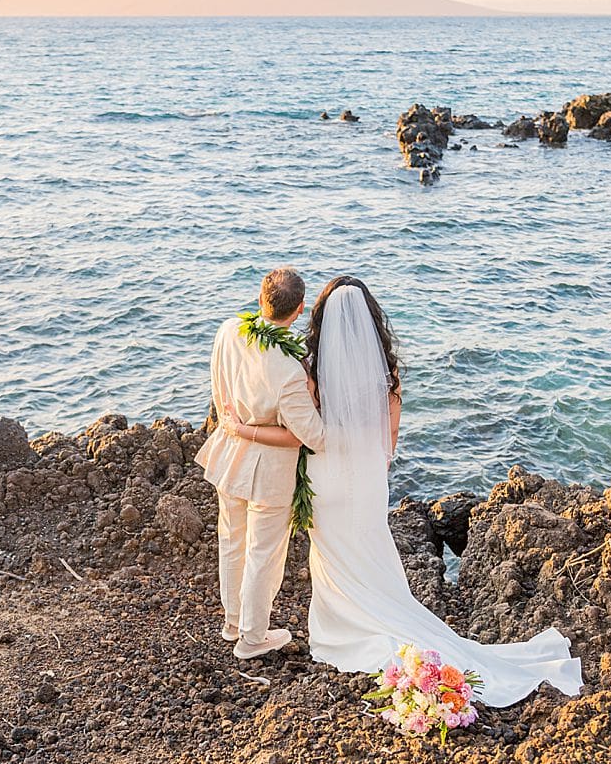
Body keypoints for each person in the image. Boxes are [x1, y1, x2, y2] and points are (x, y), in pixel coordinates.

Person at [223, 276, 583, 705]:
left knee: (332, 554)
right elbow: (388, 440)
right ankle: (383, 616)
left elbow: (305, 430)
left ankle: (337, 627)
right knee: (370, 545)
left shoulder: (308, 369)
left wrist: (246, 428)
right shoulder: (387, 371)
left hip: (325, 475)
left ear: (316, 318)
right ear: (372, 321)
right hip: (370, 475)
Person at [194, 267, 326, 660]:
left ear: (259, 299)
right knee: (263, 555)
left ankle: (233, 622)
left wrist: (235, 426)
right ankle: (252, 638)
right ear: (300, 310)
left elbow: (219, 389)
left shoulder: (228, 331)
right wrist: (314, 392)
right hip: (268, 471)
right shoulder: (289, 371)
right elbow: (314, 436)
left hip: (228, 455)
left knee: (231, 542)